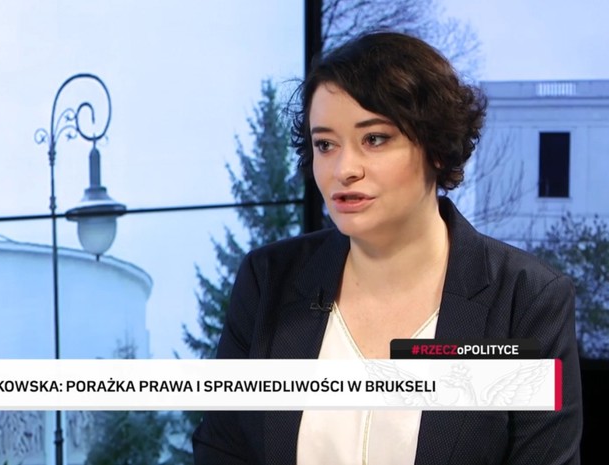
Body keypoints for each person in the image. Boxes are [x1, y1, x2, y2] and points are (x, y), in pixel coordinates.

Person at [192, 31, 582, 464]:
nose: (344, 169)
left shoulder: (527, 300)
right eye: (326, 145)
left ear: (436, 148)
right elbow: (222, 450)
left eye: (375, 139)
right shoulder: (267, 279)